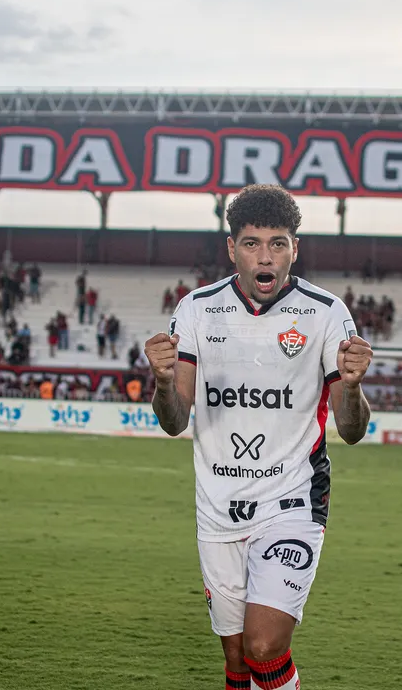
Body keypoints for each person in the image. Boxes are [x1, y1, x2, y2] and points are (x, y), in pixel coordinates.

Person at [144, 184, 372, 690]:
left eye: (277, 243)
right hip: (217, 505)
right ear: (232, 249)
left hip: (292, 499)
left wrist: (352, 388)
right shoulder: (197, 309)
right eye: (251, 243)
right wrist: (162, 382)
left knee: (265, 646)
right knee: (238, 661)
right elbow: (174, 419)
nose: (265, 256)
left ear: (295, 248)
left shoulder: (326, 313)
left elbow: (352, 431)